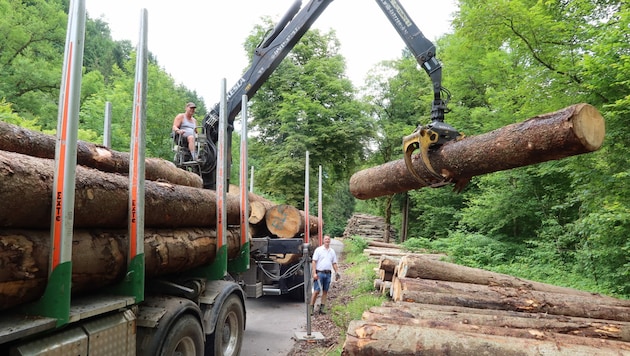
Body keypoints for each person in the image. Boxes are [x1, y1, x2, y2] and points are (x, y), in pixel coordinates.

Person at [310, 235, 339, 315]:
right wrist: (314, 273)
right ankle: (311, 308)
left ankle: (322, 308)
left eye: (328, 239)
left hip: (328, 274)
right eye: (326, 239)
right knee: (316, 291)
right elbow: (314, 261)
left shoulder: (332, 251)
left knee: (325, 291)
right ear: (323, 240)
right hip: (319, 273)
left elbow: (334, 263)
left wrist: (337, 272)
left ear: (330, 241)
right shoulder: (318, 250)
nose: (327, 240)